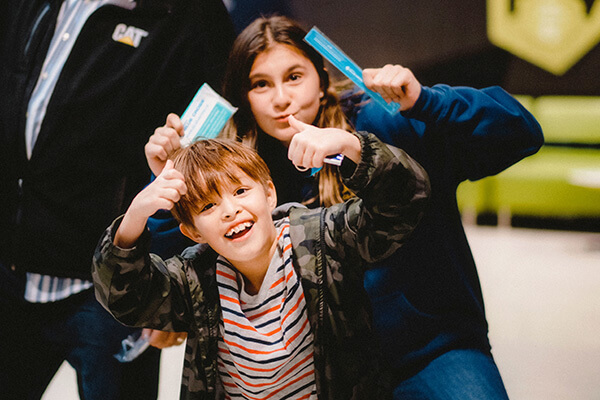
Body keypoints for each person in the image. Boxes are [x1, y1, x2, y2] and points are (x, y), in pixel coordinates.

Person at [0, 0, 234, 399]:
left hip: (113, 292)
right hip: (11, 273)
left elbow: (211, 152)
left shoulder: (193, 17)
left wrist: (170, 288)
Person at [92, 132, 430, 399]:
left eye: (240, 190)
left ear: (269, 193)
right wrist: (135, 216)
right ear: (193, 231)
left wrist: (350, 145)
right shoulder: (194, 279)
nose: (229, 210)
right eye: (208, 206)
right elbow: (126, 298)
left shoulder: (322, 238)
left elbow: (405, 199)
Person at [347, 66, 543, 399]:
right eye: (260, 84)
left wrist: (426, 101)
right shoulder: (243, 172)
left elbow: (522, 132)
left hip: (435, 348)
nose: (282, 99)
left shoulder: (384, 121)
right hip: (326, 369)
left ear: (320, 80)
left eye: (294, 77)